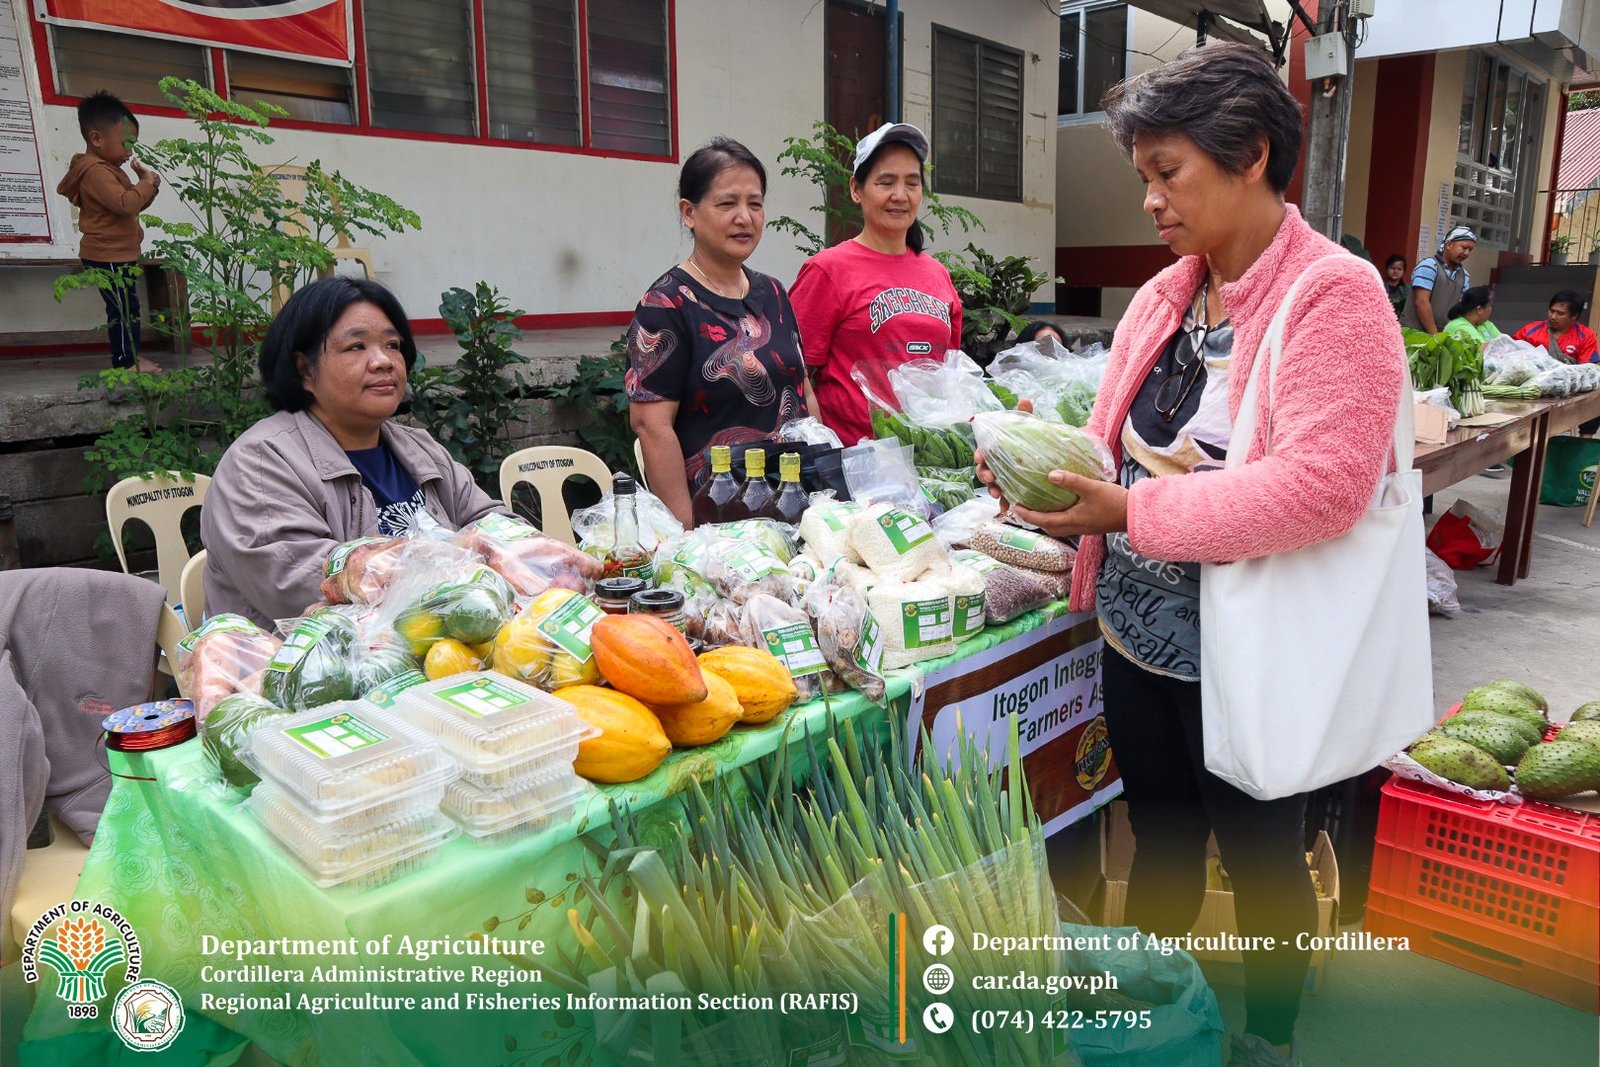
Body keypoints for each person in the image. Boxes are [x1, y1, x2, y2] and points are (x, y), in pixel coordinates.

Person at [977, 44, 1405, 1067]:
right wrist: (1047, 485)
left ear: (1250, 153)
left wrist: (1129, 507)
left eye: (1167, 173)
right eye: (1144, 179)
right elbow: (1108, 438)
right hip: (1139, 630)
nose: (1151, 202)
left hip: (1250, 647)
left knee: (1261, 855)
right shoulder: (1168, 295)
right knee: (1159, 833)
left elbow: (1320, 488)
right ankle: (1152, 1005)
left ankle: (1268, 1034)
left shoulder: (1333, 297)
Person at [201, 277, 506, 628]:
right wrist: (467, 562)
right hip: (315, 670)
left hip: (443, 654)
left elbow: (495, 527)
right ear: (305, 370)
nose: (383, 361)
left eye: (392, 345)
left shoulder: (420, 449)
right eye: (356, 347)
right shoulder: (260, 464)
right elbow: (312, 589)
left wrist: (526, 555)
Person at [626, 138, 814, 525]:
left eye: (755, 203)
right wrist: (686, 534)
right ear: (689, 213)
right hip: (720, 514)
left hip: (797, 503)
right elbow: (651, 426)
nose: (744, 217)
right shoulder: (667, 305)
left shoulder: (775, 293)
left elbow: (804, 389)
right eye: (727, 203)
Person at [790, 123, 963, 444]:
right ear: (856, 189)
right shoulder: (827, 270)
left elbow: (949, 374)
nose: (900, 195)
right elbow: (794, 376)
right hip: (856, 465)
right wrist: (822, 451)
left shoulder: (937, 274)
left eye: (912, 182)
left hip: (933, 461)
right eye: (886, 182)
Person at [55, 91, 161, 373]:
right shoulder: (96, 172)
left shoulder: (108, 169)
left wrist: (147, 184)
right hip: (109, 255)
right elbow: (125, 204)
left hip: (115, 253)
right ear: (97, 139)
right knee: (125, 310)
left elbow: (132, 205)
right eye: (125, 142)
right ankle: (126, 363)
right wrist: (146, 183)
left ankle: (130, 359)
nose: (130, 150)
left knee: (127, 307)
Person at [1400, 225, 1476, 334]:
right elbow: (1421, 302)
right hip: (1414, 333)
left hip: (1442, 335)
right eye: (1464, 248)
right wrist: (1435, 335)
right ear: (1449, 245)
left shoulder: (1465, 276)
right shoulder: (1429, 266)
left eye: (1470, 250)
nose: (1467, 253)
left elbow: (1461, 308)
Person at [1512, 289, 1598, 364]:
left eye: (1560, 313)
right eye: (1552, 311)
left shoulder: (1586, 336)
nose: (1553, 317)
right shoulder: (1529, 330)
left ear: (1574, 316)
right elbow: (1510, 354)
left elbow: (1587, 368)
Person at [1383, 254, 1408, 320]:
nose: (1395, 271)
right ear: (1387, 268)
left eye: (1399, 269)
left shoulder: (1407, 290)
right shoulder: (1380, 287)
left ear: (1403, 271)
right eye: (1393, 268)